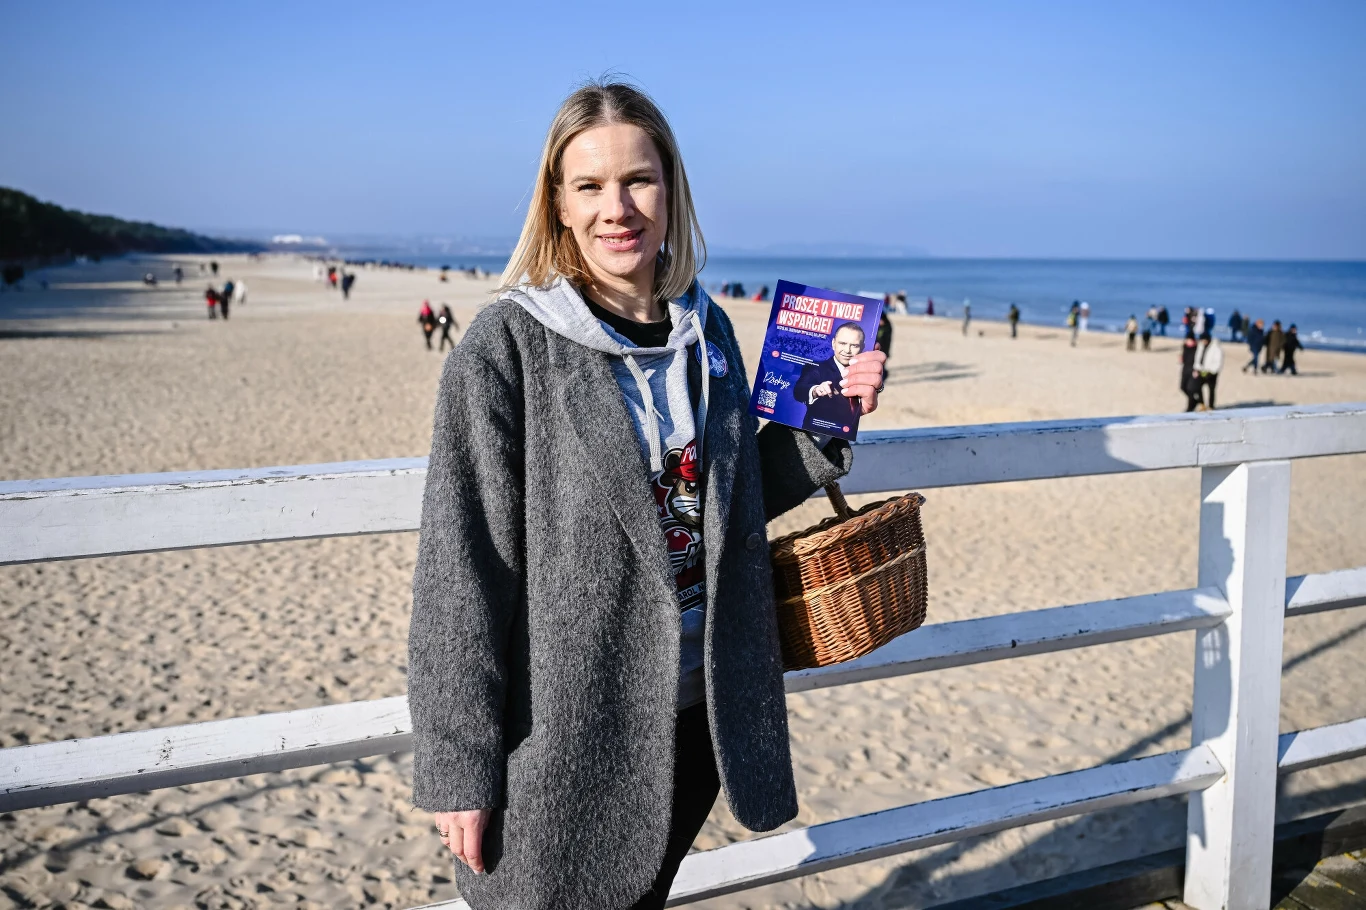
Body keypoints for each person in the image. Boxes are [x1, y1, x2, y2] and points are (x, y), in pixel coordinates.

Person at [409, 81, 886, 910]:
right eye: (588, 186)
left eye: (638, 180)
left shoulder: (712, 335)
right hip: (564, 730)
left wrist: (828, 417)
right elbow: (461, 572)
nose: (616, 208)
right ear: (557, 204)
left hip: (701, 715)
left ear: (672, 191)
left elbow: (724, 507)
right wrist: (458, 767)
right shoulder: (507, 347)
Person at [793, 321, 868, 434]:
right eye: (842, 343)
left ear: (862, 347)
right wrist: (816, 390)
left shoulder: (864, 371)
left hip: (847, 436)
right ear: (833, 344)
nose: (847, 350)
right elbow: (799, 390)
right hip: (816, 435)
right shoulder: (816, 368)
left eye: (854, 345)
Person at [1195, 333, 1224, 409]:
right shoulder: (1200, 346)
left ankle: (1211, 406)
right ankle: (1202, 404)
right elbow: (1198, 357)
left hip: (1212, 372)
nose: (1203, 342)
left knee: (1211, 390)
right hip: (1202, 371)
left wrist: (1212, 371)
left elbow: (1218, 361)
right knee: (1197, 387)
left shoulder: (1216, 347)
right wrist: (1196, 368)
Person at [1181, 330, 1201, 412]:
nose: (1188, 341)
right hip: (1185, 369)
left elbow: (1198, 359)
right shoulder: (1185, 346)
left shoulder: (1197, 348)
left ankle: (1190, 407)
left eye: (1190, 340)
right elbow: (1184, 357)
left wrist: (1197, 370)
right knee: (1182, 387)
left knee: (1190, 389)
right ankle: (1194, 401)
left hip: (1193, 370)